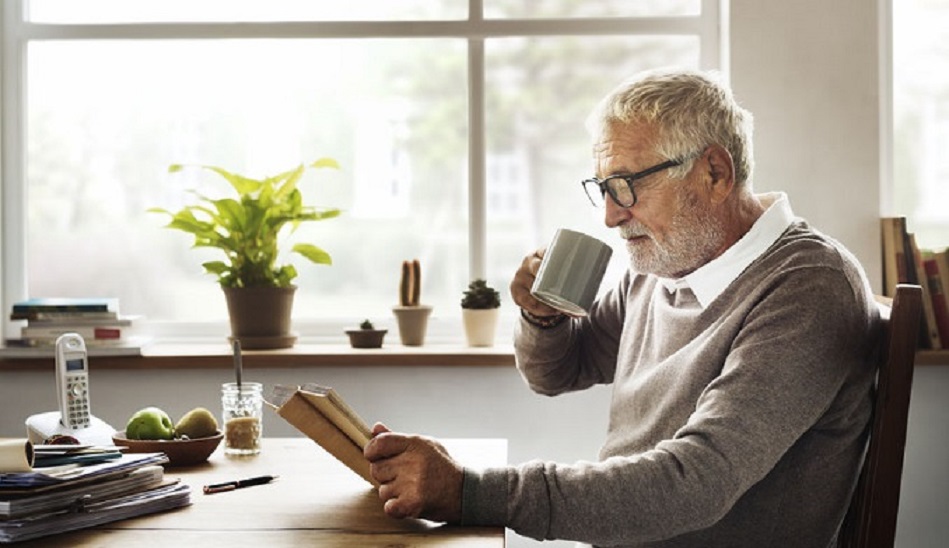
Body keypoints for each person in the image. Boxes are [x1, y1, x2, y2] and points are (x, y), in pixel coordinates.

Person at [364, 68, 880, 547]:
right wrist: (543, 316)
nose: (611, 216)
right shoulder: (664, 264)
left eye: (626, 186)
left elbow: (694, 483)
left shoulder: (809, 286)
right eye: (604, 189)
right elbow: (560, 371)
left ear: (715, 172)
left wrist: (466, 491)